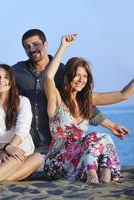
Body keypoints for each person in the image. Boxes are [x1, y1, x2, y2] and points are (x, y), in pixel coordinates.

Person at [0, 29, 116, 154]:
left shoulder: (63, 72)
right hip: (30, 144)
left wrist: (110, 125)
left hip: (54, 143)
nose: (32, 49)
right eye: (27, 46)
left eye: (36, 44)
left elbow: (79, 102)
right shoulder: (18, 71)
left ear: (46, 44)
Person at [44, 34, 134, 183]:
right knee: (97, 137)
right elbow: (48, 77)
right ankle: (94, 175)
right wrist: (63, 47)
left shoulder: (86, 101)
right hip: (57, 162)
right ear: (68, 76)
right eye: (77, 75)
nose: (81, 80)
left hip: (82, 158)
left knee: (104, 137)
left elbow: (123, 95)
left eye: (85, 76)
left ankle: (104, 175)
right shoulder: (56, 99)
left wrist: (112, 126)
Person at [0, 64, 43, 186]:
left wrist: (11, 148)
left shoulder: (22, 101)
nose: (1, 80)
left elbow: (22, 129)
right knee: (16, 157)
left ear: (11, 82)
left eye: (6, 77)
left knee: (38, 157)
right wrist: (6, 148)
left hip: (18, 149)